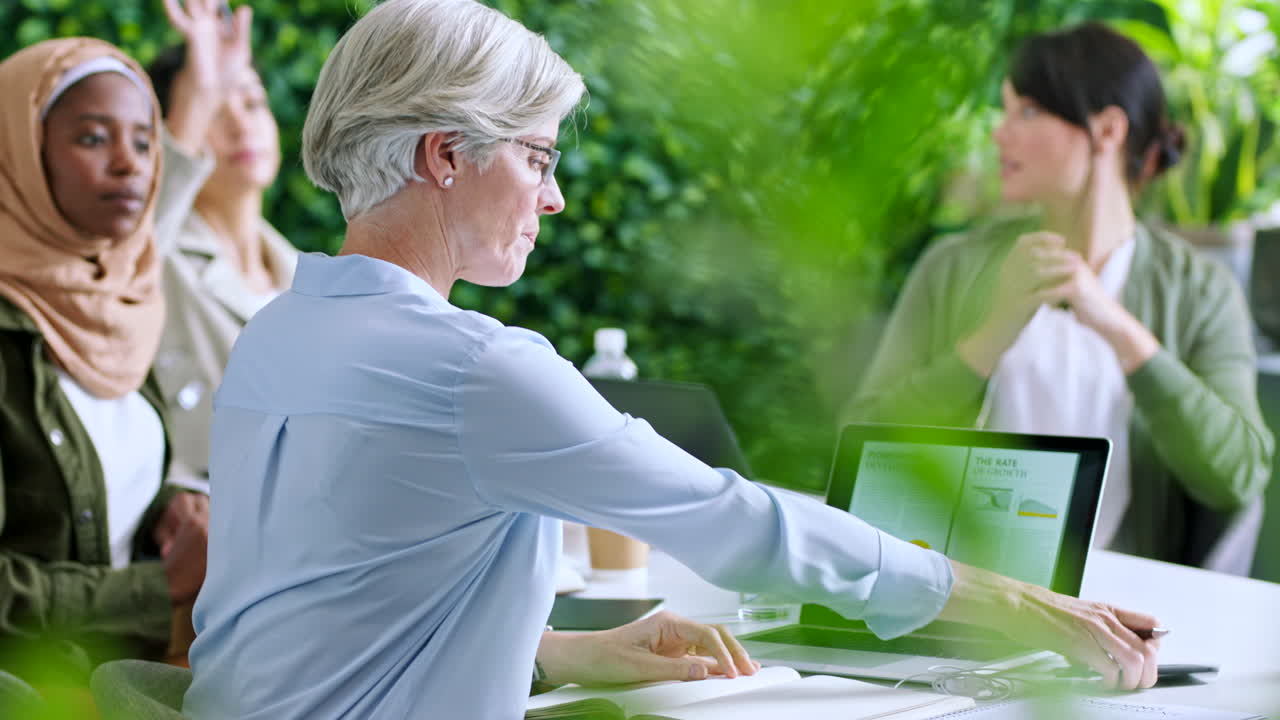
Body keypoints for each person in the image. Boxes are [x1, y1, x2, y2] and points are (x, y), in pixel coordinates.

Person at [183, 4, 1164, 718]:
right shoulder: (474, 372)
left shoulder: (277, 332)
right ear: (444, 156)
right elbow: (739, 523)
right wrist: (1018, 608)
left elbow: (321, 615)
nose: (553, 198)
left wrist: (561, 653)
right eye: (536, 157)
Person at [844, 22, 1273, 574]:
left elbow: (1237, 474)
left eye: (1027, 112)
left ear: (1107, 130)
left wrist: (1121, 331)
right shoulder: (952, 266)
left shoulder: (1200, 290)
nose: (1000, 134)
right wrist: (990, 337)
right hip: (957, 594)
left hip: (1119, 609)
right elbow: (862, 446)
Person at [0, 38, 208, 688]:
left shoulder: (114, 302)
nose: (129, 165)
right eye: (92, 139)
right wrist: (159, 586)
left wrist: (170, 508)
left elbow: (87, 487)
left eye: (145, 142)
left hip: (126, 676)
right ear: (19, 154)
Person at [146, 0, 299, 486]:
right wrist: (200, 89)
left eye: (252, 103)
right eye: (214, 109)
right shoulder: (152, 253)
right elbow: (132, 244)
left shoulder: (306, 273)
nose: (241, 125)